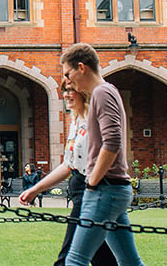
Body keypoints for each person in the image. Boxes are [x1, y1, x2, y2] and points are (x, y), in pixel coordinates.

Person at [60, 43, 145, 266]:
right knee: (129, 261)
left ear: (81, 67)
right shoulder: (105, 91)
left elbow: (113, 141)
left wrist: (92, 182)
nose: (68, 81)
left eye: (68, 74)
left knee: (75, 260)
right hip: (113, 189)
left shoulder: (101, 92)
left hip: (105, 189)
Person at [22, 79, 117, 266]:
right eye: (64, 90)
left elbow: (112, 147)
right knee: (105, 256)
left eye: (70, 90)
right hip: (81, 192)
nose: (66, 95)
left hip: (90, 193)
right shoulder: (76, 121)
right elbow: (68, 165)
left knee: (69, 257)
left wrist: (92, 183)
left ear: (83, 92)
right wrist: (36, 189)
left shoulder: (94, 120)